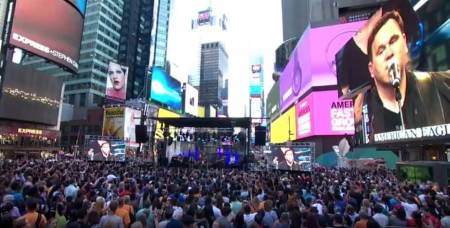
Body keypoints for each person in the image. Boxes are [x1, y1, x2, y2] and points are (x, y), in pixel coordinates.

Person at [366, 10, 450, 135]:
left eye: (393, 41)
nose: (389, 53)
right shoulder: (365, 113)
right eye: (381, 50)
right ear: (371, 69)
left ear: (405, 43)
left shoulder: (441, 86)